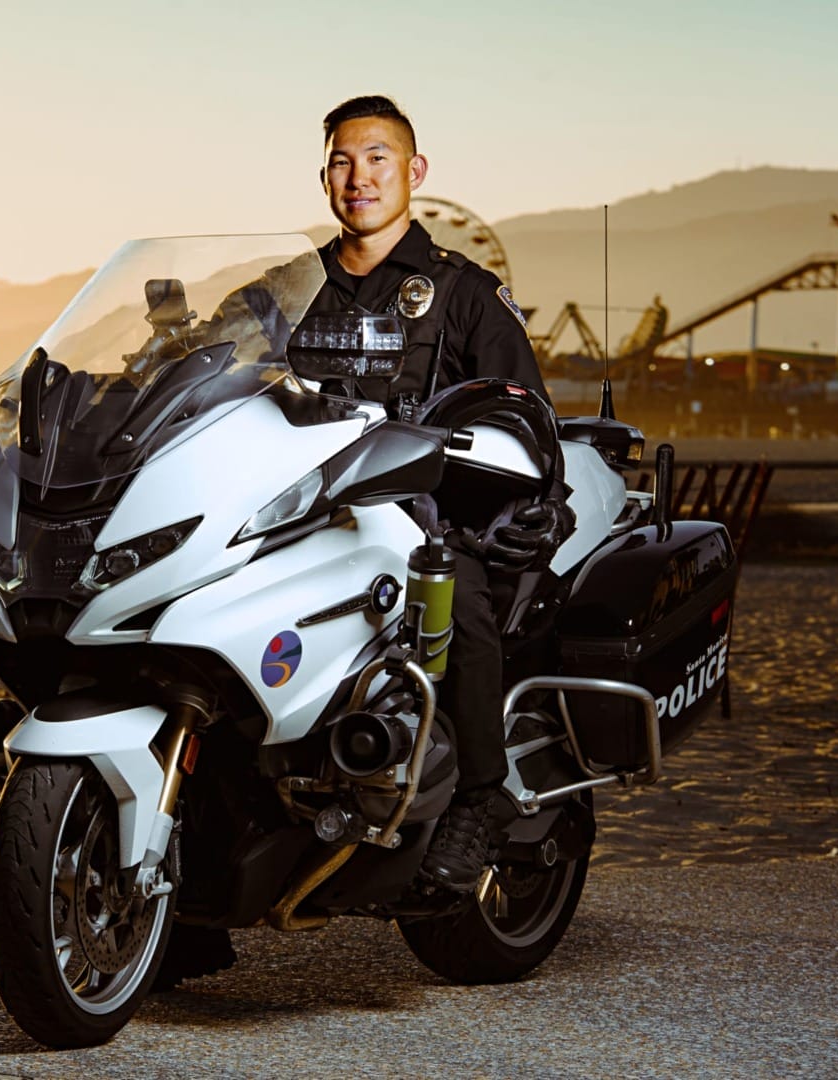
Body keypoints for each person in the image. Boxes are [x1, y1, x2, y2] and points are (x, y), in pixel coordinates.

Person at [311, 94, 572, 892]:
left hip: (424, 519)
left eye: (378, 158)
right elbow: (203, 371)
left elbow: (530, 420)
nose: (360, 177)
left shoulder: (463, 294)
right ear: (324, 177)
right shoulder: (287, 291)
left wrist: (540, 503)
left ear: (414, 171)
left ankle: (482, 796)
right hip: (301, 516)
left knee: (452, 595)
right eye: (343, 161)